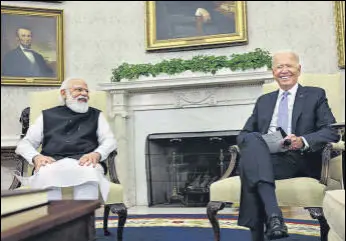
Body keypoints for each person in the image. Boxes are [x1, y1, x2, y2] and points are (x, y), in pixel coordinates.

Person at [236, 51, 339, 240]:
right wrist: (262, 141)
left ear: (298, 69)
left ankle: (261, 231)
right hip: (267, 157)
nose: (284, 71)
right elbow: (243, 135)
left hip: (298, 158)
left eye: (289, 66)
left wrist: (302, 141)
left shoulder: (315, 95)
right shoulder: (264, 101)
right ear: (273, 72)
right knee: (252, 141)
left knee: (248, 166)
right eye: (279, 67)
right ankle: (275, 217)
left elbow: (331, 130)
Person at [15, 77, 116, 201]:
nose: (84, 94)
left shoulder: (97, 115)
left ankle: (83, 218)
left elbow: (110, 140)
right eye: (79, 90)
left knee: (89, 173)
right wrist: (36, 157)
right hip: (52, 162)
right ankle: (56, 219)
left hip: (85, 162)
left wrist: (97, 154)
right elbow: (24, 144)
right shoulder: (47, 115)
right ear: (64, 93)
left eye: (86, 91)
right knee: (48, 173)